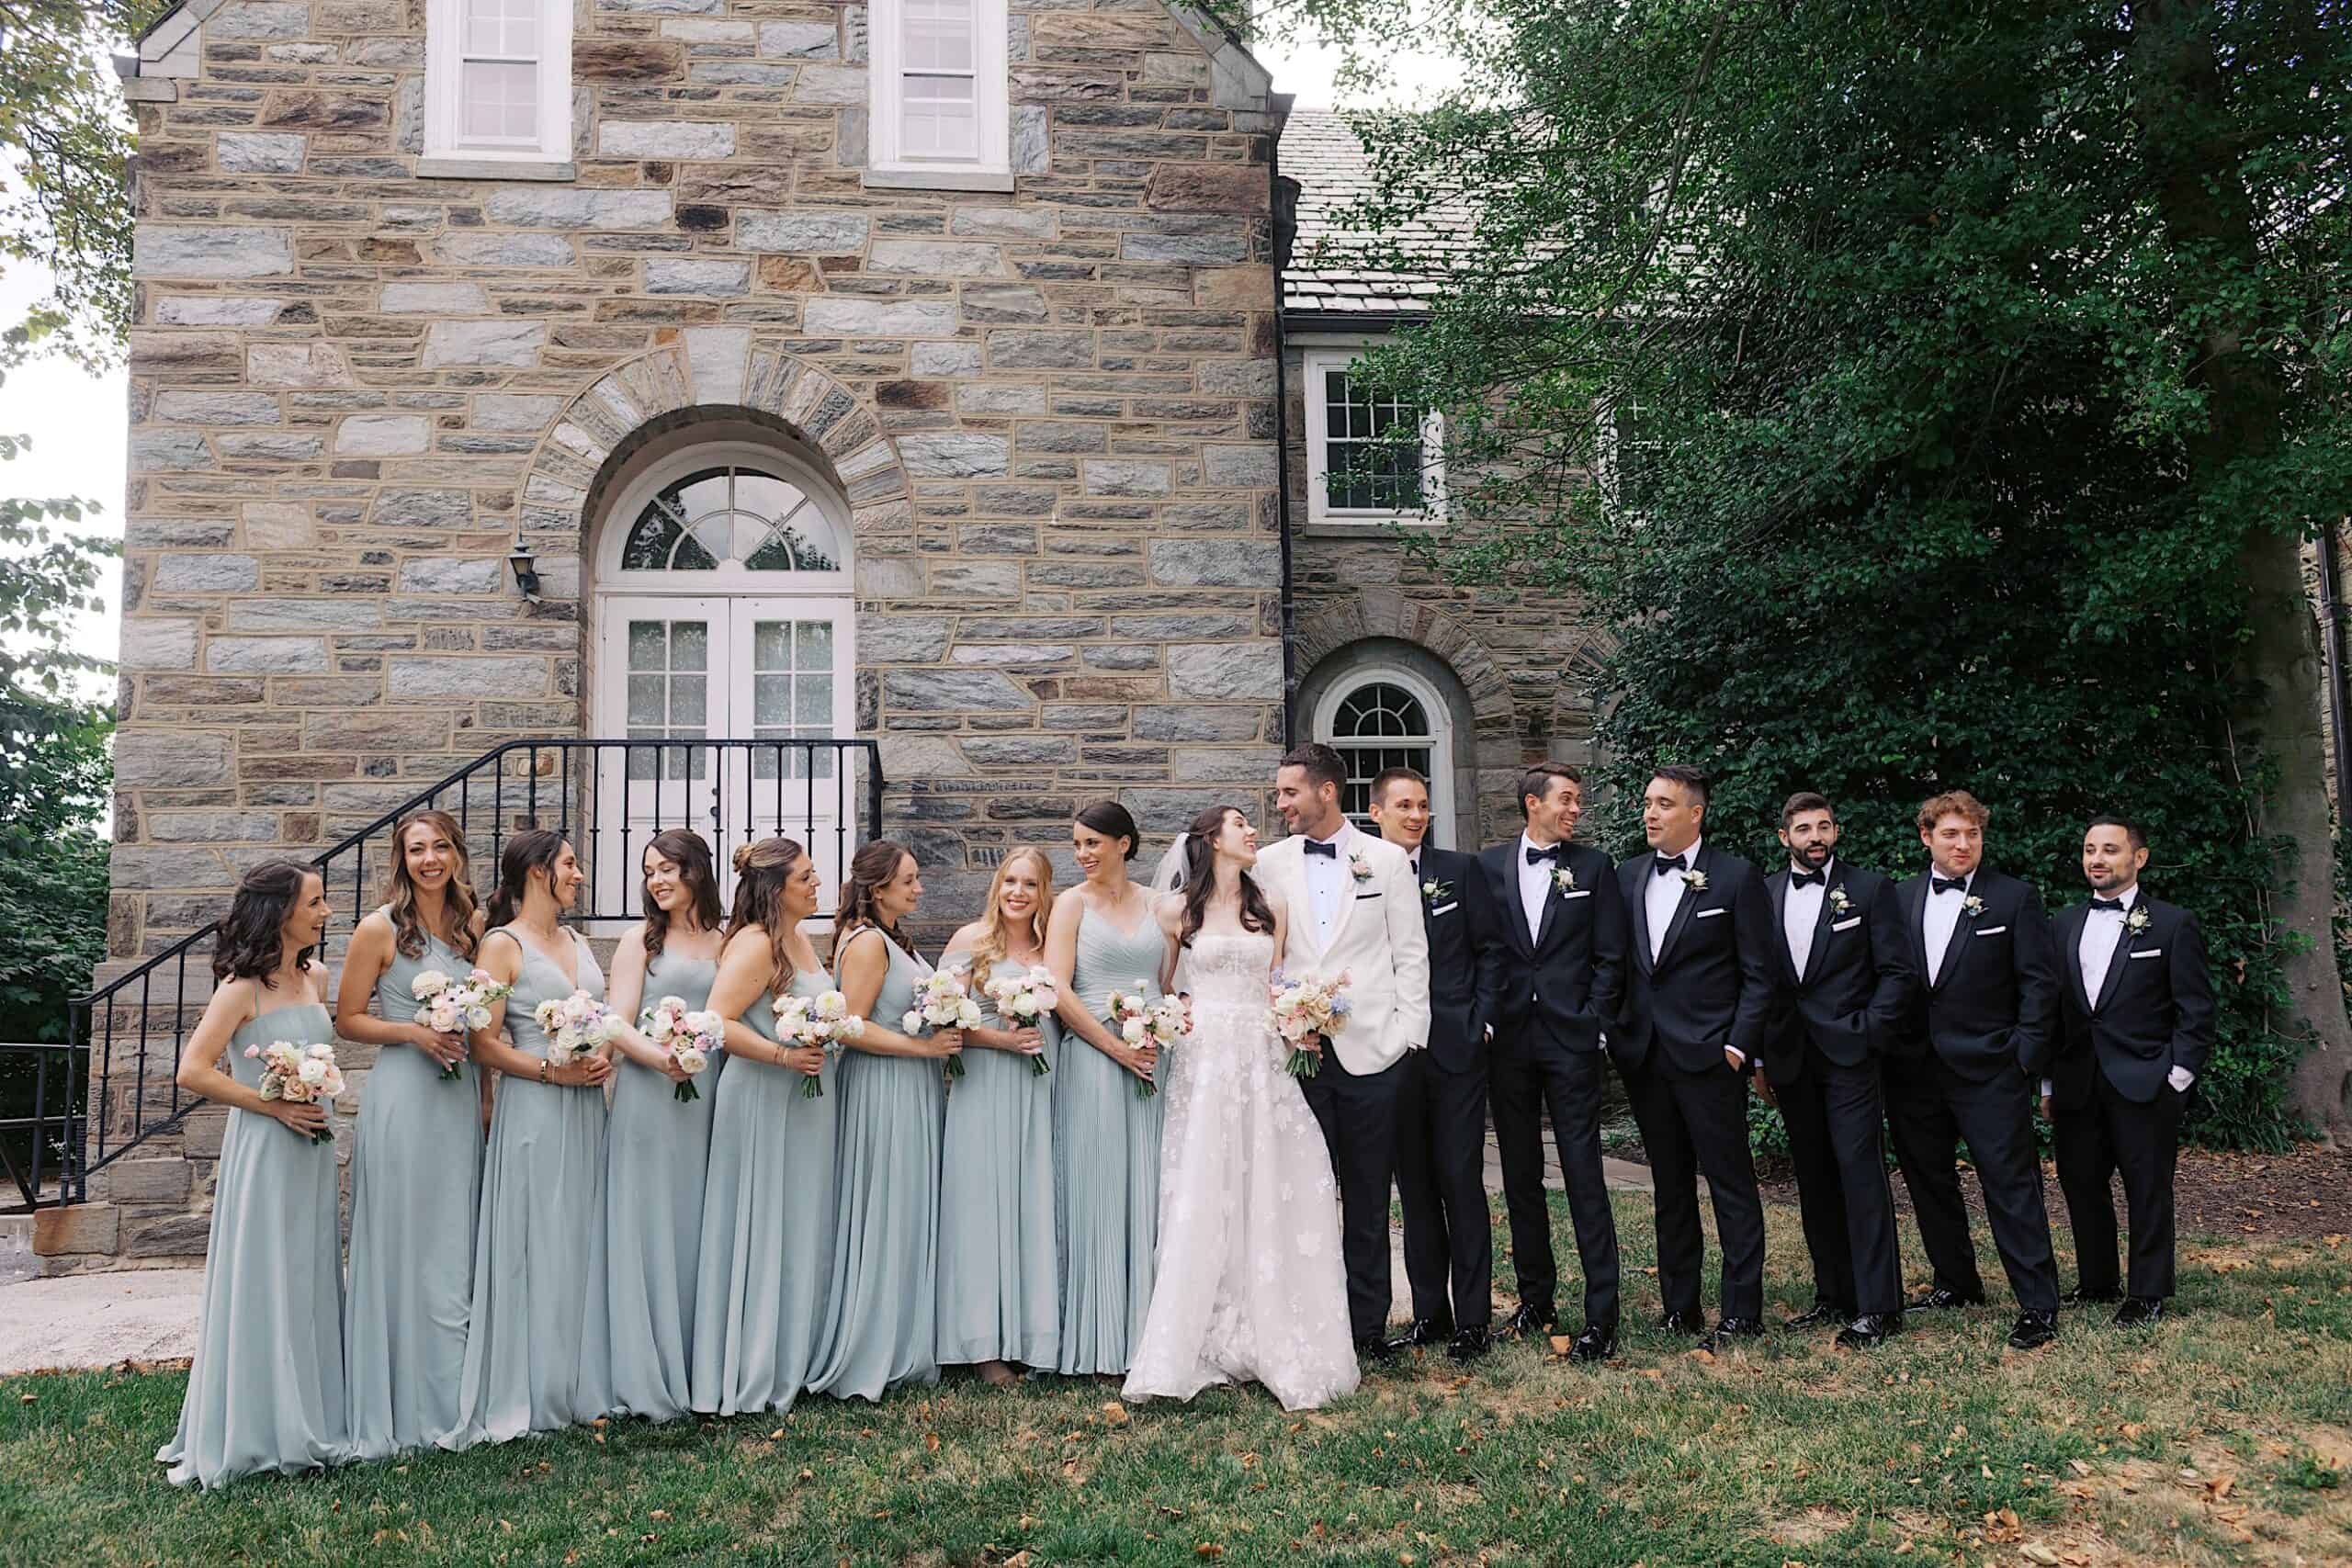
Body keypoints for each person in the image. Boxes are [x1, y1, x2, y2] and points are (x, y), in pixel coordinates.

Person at [1123, 805, 1361, 1410]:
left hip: (1261, 1058)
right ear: (1211, 839)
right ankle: (1201, 1331)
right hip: (1205, 1065)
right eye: (1241, 826)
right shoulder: (1175, 910)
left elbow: (1277, 983)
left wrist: (1298, 1025)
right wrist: (1166, 1021)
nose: (1253, 832)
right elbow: (1164, 985)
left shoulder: (1271, 904)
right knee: (1206, 1183)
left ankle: (1271, 1324)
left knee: (1278, 1177)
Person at [159, 861, 349, 1488]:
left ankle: (309, 1412)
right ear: (282, 911)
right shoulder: (241, 987)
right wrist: (273, 1104)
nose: (325, 912)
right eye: (316, 902)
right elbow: (193, 1070)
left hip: (312, 1147)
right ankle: (257, 1424)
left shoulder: (315, 975)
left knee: (307, 1273)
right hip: (266, 1148)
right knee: (265, 1274)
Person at [1254, 742, 1431, 1362]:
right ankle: (1305, 1323)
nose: (1281, 804)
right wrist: (1279, 1020)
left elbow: (1409, 952)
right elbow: (1260, 952)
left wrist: (1409, 1038)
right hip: (1297, 1054)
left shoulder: (1385, 860)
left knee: (1366, 1196)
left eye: (1289, 792)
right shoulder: (1268, 863)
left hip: (1374, 1055)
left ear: (1326, 791)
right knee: (1301, 1193)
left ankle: (1365, 1328)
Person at [447, 829, 616, 1447]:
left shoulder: (575, 939)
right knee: (535, 1235)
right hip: (535, 1106)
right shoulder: (501, 944)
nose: (578, 873)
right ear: (540, 872)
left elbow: (600, 1016)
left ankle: (579, 1377)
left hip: (586, 1105)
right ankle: (530, 1381)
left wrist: (600, 1056)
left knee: (580, 1233)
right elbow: (482, 1042)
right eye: (570, 863)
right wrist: (553, 1069)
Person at [1885, 790, 2064, 1351]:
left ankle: (2038, 1304)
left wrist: (2024, 1057)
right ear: (1926, 838)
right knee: (1929, 1181)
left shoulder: (2013, 899)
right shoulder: (1900, 897)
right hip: (1915, 1070)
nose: (1964, 845)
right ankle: (1955, 1281)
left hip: (1991, 1068)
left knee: (2010, 1186)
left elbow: (2040, 984)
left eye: (1973, 835)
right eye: (1951, 835)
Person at [1611, 765, 1781, 1348]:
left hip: (1711, 1057)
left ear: (1695, 813)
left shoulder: (1735, 878)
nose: (1650, 813)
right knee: (1670, 1187)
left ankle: (1741, 1311)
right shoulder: (1629, 875)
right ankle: (1679, 1306)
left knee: (1731, 1184)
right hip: (1647, 1057)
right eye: (1648, 802)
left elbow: (1761, 973)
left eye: (1663, 804)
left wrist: (1737, 1046)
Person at [336, 810, 485, 1458]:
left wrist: (484, 1097)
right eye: (417, 849)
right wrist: (414, 1031)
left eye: (440, 846)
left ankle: (453, 1393)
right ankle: (396, 1400)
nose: (430, 858)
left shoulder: (473, 928)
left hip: (456, 1101)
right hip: (402, 1094)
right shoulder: (378, 928)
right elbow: (346, 1019)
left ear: (456, 852)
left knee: (453, 1242)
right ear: (402, 859)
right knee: (403, 1240)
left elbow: (482, 1028)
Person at [1477, 761, 1628, 1361]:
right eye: (1566, 799)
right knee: (1519, 1175)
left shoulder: (1594, 867)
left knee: (1584, 1172)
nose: (1575, 809)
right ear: (1532, 802)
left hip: (1570, 1038)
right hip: (1509, 1040)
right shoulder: (1487, 866)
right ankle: (1536, 1298)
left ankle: (1601, 1313)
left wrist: (1593, 1021)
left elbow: (1611, 956)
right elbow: (1479, 947)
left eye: (1578, 800)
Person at [689, 837, 841, 1415]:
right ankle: (751, 1368)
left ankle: (789, 1358)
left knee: (797, 1221)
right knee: (761, 1221)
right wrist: (782, 1056)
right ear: (776, 889)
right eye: (805, 877)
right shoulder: (754, 945)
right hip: (761, 1097)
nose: (816, 882)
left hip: (805, 1100)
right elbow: (717, 1023)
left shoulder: (799, 939)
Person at [1758, 793, 1913, 1348]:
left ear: (1836, 831)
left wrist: (1869, 1030)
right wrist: (1759, 1056)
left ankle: (1879, 1306)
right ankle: (1833, 1295)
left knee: (1860, 1174)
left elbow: (1897, 973)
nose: (1815, 836)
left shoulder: (1870, 890)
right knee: (1815, 1178)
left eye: (1824, 826)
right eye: (1803, 828)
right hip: (1790, 1059)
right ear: (1785, 838)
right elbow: (1760, 980)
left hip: (1850, 1055)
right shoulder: (1766, 893)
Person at [808, 840, 961, 1401]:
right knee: (884, 1206)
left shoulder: (896, 939)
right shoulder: (869, 942)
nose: (919, 888)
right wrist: (923, 1050)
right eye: (910, 881)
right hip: (882, 1087)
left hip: (912, 1087)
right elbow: (850, 1026)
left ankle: (903, 1340)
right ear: (878, 889)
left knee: (908, 1206)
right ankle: (868, 1346)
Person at [2045, 815, 2213, 1326]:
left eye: (2110, 850)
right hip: (2077, 1083)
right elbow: (2054, 1011)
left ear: (2138, 858)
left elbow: (2197, 1009)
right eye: (2090, 849)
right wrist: (2049, 1083)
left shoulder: (2171, 923)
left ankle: (2148, 1292)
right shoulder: (2061, 925)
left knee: (2148, 1187)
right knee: (2080, 1183)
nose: (2097, 859)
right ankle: (2098, 1281)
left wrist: (2177, 1078)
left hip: (2145, 1081)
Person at [1370, 766, 1507, 1364]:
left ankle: (1474, 1319)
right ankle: (1430, 1313)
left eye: (1423, 804)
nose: (1416, 814)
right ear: (1376, 811)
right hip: (1394, 1053)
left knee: (1460, 1179)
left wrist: (1480, 1020)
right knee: (1416, 1187)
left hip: (1455, 1047)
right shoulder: (1364, 874)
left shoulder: (1459, 870)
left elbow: (1491, 950)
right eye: (1404, 804)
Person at [603, 830, 727, 1421]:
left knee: (699, 1218)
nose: (656, 880)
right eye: (649, 871)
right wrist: (662, 1060)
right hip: (652, 1094)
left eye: (667, 869)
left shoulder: (728, 941)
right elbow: (616, 1022)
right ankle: (647, 1364)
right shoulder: (639, 941)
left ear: (696, 871)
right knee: (652, 1218)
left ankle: (701, 1360)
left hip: (709, 1096)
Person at [1045, 800, 1169, 1377]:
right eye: (1077, 845)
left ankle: (1151, 1330)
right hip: (1095, 1058)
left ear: (1124, 843)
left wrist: (1164, 1026)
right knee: (1098, 1185)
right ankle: (1097, 1339)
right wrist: (1116, 1047)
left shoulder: (1157, 904)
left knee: (1148, 1183)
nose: (1083, 855)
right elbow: (1059, 989)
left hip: (1152, 1057)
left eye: (1092, 843)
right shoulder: (1070, 904)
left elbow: (1169, 980)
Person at [937, 847, 1061, 1385]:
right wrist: (999, 1039)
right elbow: (940, 1018)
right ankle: (983, 1347)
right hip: (985, 1086)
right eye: (1010, 881)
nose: (1018, 892)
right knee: (982, 1207)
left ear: (1043, 892)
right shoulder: (971, 941)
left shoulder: (1051, 947)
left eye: (1030, 884)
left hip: (1042, 1087)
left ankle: (1034, 1338)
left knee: (1034, 1203)